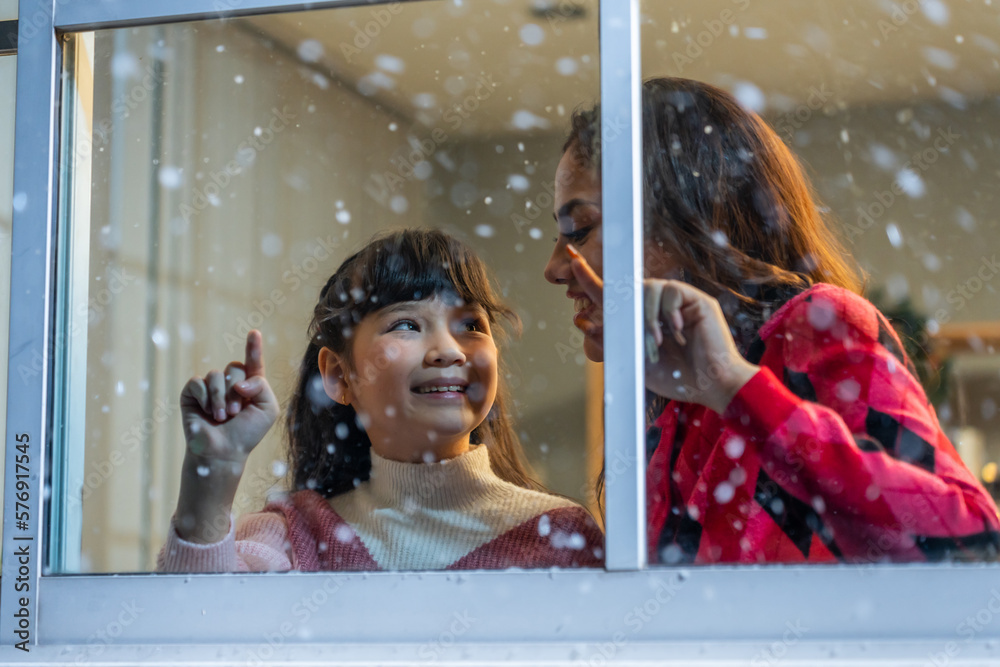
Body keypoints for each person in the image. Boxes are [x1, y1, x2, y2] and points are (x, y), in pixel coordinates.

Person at [544, 76, 1000, 565]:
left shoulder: (813, 326)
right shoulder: (671, 407)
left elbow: (968, 543)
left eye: (581, 228)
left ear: (687, 216)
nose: (554, 268)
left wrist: (736, 389)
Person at [160, 229, 603, 572]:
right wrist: (212, 478)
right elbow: (193, 636)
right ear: (338, 375)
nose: (449, 349)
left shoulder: (560, 537)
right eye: (407, 325)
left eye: (471, 324)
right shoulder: (295, 539)